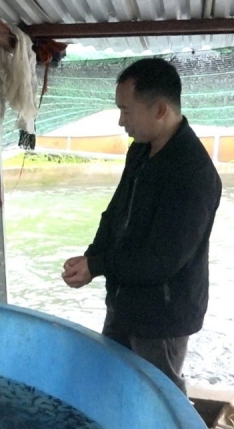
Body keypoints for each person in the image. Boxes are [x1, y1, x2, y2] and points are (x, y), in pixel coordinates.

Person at [61, 58, 222, 394]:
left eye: (126, 111)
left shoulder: (193, 175)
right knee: (112, 384)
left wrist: (98, 265)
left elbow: (161, 261)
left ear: (160, 110)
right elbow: (115, 212)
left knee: (158, 396)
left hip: (163, 315)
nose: (121, 121)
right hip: (125, 300)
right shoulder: (140, 152)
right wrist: (92, 256)